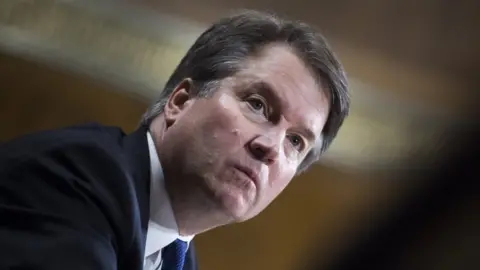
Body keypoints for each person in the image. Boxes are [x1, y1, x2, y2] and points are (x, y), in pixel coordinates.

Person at [0, 10, 349, 270]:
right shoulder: (74, 178)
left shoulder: (175, 258)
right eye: (257, 105)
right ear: (180, 101)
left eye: (296, 143)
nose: (271, 147)